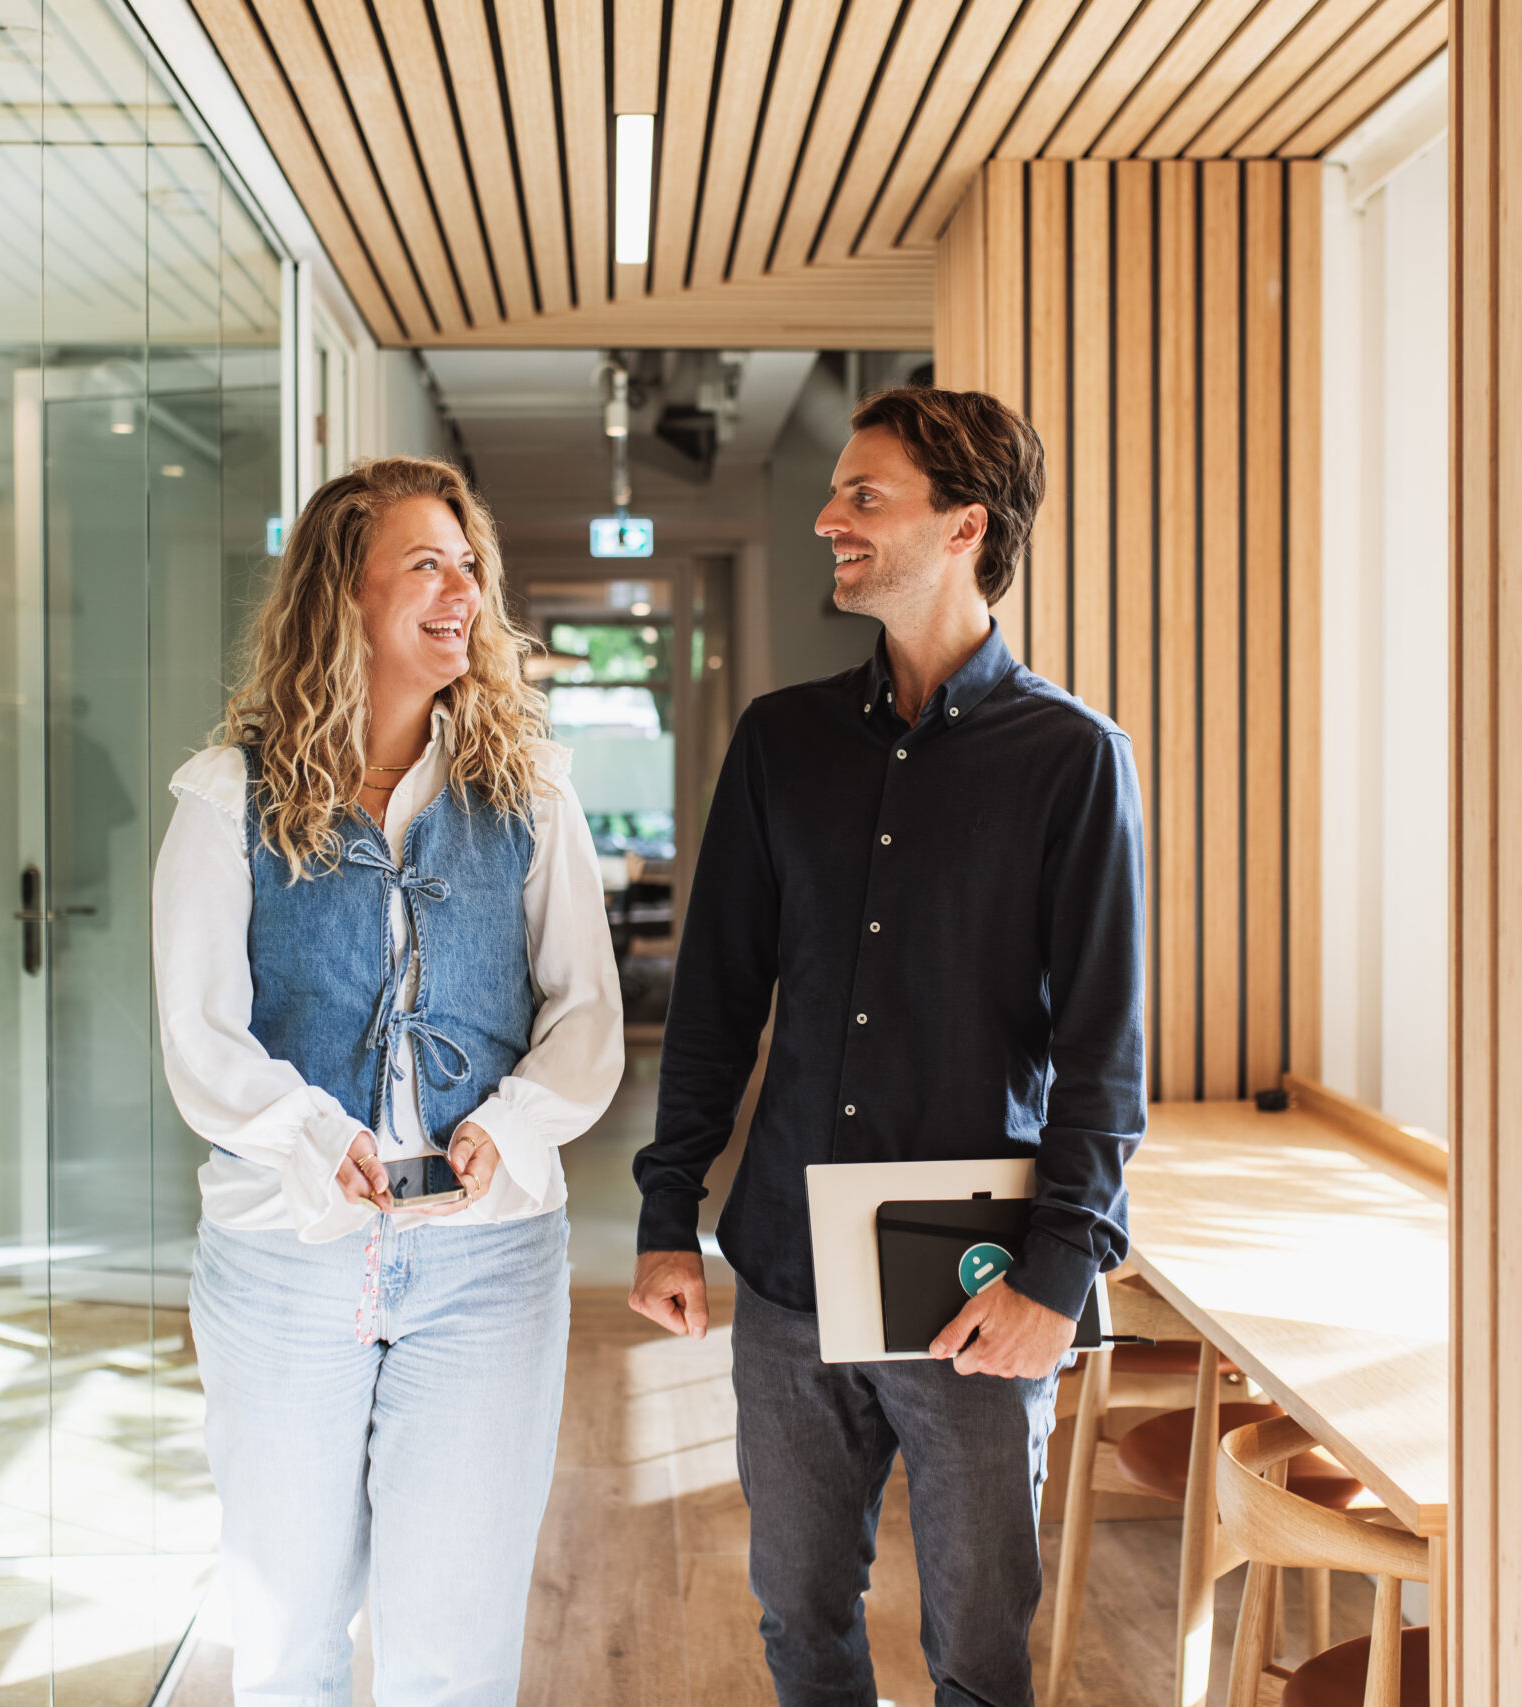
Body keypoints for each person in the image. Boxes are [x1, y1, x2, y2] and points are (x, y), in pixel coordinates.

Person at [628, 387, 1147, 1707]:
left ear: (965, 525)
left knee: (979, 1650)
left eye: (866, 495)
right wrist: (665, 1209)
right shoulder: (779, 742)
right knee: (800, 1623)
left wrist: (1058, 1269)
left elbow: (1104, 1049)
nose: (827, 517)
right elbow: (718, 1000)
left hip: (974, 1287)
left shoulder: (1074, 759)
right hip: (791, 1269)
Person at [153, 456, 624, 1707]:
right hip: (281, 1260)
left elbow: (586, 1018)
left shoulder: (534, 790)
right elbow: (201, 1039)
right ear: (340, 597)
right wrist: (309, 1133)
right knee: (287, 1634)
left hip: (489, 1260)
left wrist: (515, 1124)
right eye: (426, 564)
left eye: (469, 567)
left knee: (453, 1651)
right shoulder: (223, 797)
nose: (461, 590)